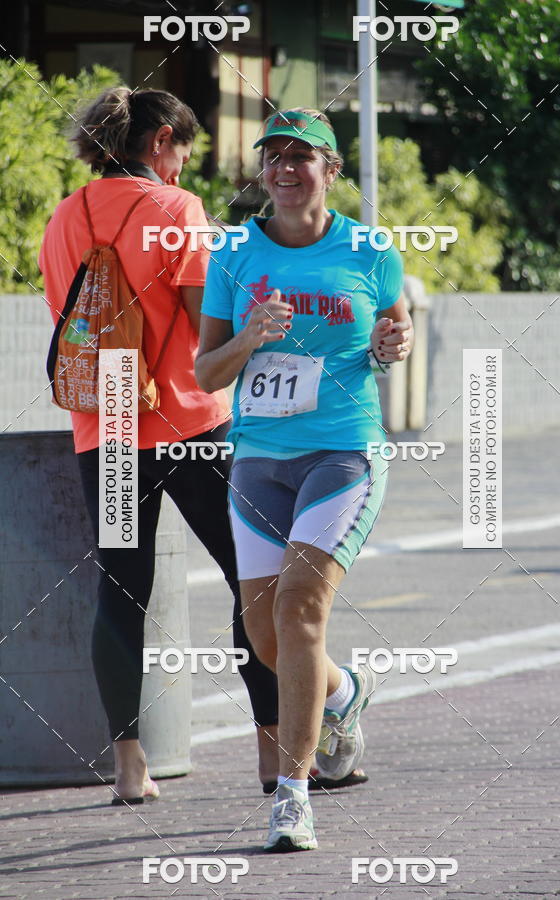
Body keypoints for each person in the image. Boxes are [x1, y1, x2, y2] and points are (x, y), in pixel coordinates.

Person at [38, 86, 279, 803]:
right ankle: (274, 754)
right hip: (193, 425)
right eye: (182, 152)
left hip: (109, 431)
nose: (181, 169)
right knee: (253, 577)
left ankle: (129, 768)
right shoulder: (178, 209)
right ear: (160, 141)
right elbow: (208, 323)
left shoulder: (64, 216)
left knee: (121, 593)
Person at [196, 108, 414, 850]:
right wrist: (251, 336)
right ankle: (345, 692)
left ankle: (293, 796)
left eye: (303, 157)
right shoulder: (233, 251)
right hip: (259, 459)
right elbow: (206, 372)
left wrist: (390, 346)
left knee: (299, 609)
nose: (286, 169)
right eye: (275, 157)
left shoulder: (370, 249)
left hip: (343, 453)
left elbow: (392, 337)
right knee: (266, 636)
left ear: (331, 170)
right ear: (264, 170)